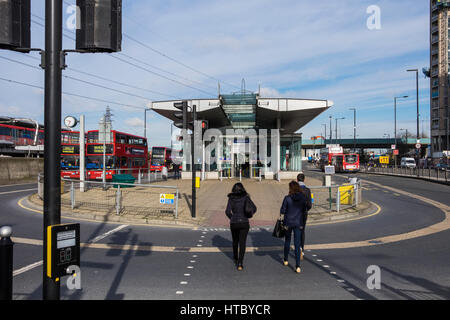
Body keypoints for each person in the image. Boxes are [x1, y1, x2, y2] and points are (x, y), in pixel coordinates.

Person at [225, 183, 256, 271]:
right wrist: (248, 215)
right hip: (244, 222)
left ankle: (235, 257)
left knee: (235, 241)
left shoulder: (231, 198)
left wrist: (232, 218)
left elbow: (227, 211)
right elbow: (254, 208)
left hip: (234, 223)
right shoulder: (246, 197)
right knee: (242, 243)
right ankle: (240, 263)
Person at [280, 181, 307, 273]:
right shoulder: (303, 198)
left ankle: (286, 260)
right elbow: (304, 210)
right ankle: (298, 266)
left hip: (288, 222)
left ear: (290, 188)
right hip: (298, 222)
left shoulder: (287, 198)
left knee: (287, 241)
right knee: (297, 243)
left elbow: (282, 211)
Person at [297, 173, 312, 260]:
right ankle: (302, 249)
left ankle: (297, 247)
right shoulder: (307, 190)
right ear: (304, 180)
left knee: (295, 231)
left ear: (297, 180)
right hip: (303, 213)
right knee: (302, 231)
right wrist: (306, 210)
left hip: (295, 214)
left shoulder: (294, 189)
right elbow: (309, 205)